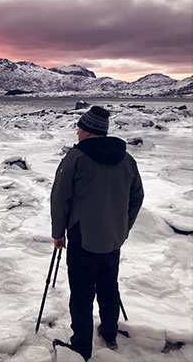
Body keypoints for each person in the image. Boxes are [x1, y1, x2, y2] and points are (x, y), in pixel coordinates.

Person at [49, 105, 144, 361]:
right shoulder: (126, 159)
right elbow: (137, 197)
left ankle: (81, 347)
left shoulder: (75, 158)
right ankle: (110, 332)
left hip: (82, 238)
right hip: (113, 239)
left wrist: (59, 233)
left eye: (80, 128)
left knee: (81, 294)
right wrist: (123, 227)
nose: (77, 132)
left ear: (89, 131)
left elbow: (60, 199)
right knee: (108, 286)